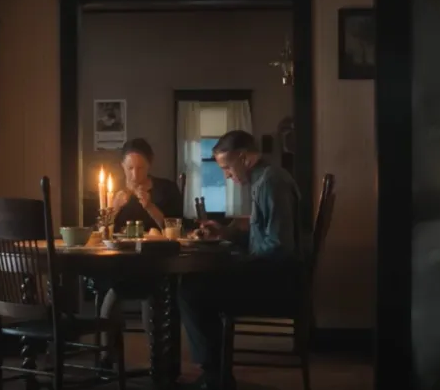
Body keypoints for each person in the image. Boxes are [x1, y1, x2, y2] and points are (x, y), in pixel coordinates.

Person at [179, 130, 301, 390]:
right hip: (269, 273)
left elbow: (280, 247)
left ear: (244, 158)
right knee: (195, 284)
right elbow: (263, 238)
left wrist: (236, 262)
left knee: (191, 291)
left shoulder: (271, 182)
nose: (226, 175)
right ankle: (217, 375)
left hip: (277, 282)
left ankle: (214, 378)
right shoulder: (263, 179)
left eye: (227, 167)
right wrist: (224, 233)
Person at [96, 138, 183, 368]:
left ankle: (158, 358)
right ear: (122, 167)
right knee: (112, 289)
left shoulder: (165, 189)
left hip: (158, 261)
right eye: (130, 168)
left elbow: (176, 229)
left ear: (150, 165)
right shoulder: (114, 192)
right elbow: (102, 232)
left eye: (141, 168)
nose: (135, 175)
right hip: (121, 261)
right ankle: (107, 355)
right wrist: (114, 208)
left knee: (152, 289)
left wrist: (150, 207)